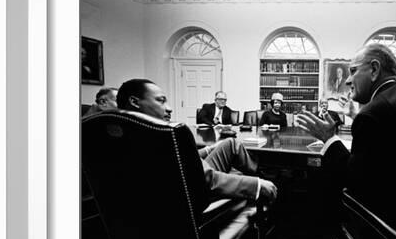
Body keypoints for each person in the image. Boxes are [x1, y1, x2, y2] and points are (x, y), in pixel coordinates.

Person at [296, 44, 396, 239]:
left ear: (374, 70)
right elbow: (389, 148)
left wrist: (328, 138)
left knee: (325, 185)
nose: (348, 80)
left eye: (353, 71)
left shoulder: (375, 112)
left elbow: (353, 181)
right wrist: (355, 116)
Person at [116, 79, 278, 204]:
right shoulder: (164, 134)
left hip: (183, 182)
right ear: (135, 102)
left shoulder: (125, 133)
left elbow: (180, 160)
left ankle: (260, 172)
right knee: (238, 155)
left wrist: (209, 149)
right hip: (193, 194)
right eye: (161, 100)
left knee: (230, 143)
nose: (170, 108)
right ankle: (264, 177)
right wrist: (256, 185)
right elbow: (208, 179)